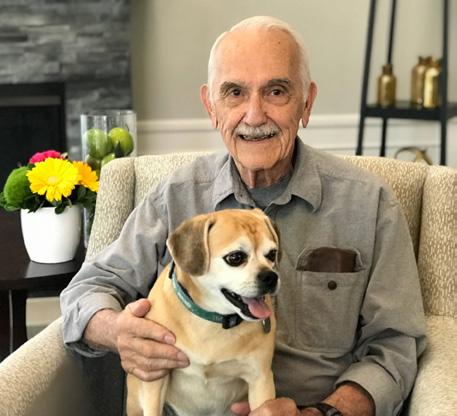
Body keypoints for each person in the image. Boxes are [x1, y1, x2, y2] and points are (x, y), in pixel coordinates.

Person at [61, 16, 426, 416]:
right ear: (211, 107)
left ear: (307, 103)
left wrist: (325, 413)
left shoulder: (369, 204)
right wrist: (117, 331)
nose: (254, 115)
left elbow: (396, 346)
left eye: (276, 91)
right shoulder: (175, 196)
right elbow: (88, 289)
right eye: (234, 92)